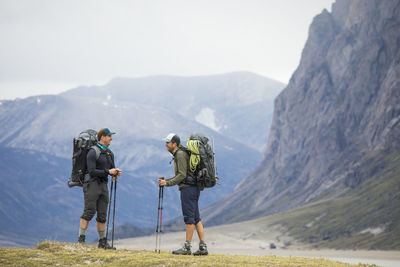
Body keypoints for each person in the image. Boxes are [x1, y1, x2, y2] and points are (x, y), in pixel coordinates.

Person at [158, 133, 208, 256]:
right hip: (194, 188)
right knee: (196, 218)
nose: (166, 145)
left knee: (189, 218)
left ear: (174, 144)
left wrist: (167, 182)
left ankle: (187, 247)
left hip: (188, 189)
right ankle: (202, 246)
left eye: (168, 142)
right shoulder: (182, 153)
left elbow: (182, 175)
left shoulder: (180, 154)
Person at [77, 128, 122, 249]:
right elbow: (91, 171)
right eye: (109, 136)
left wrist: (115, 172)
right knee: (89, 211)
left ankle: (102, 242)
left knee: (102, 214)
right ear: (102, 137)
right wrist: (108, 171)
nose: (111, 138)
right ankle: (81, 240)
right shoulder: (93, 152)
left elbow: (111, 169)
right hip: (91, 184)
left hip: (103, 185)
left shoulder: (109, 153)